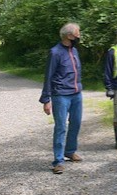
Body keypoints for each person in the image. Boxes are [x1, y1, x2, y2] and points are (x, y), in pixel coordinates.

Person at [39, 22, 83, 174]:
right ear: (69, 35)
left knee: (76, 123)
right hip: (61, 95)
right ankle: (58, 161)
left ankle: (70, 151)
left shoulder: (75, 50)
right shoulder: (55, 52)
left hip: (77, 94)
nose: (79, 36)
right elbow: (48, 76)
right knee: (61, 127)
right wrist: (46, 100)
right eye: (78, 33)